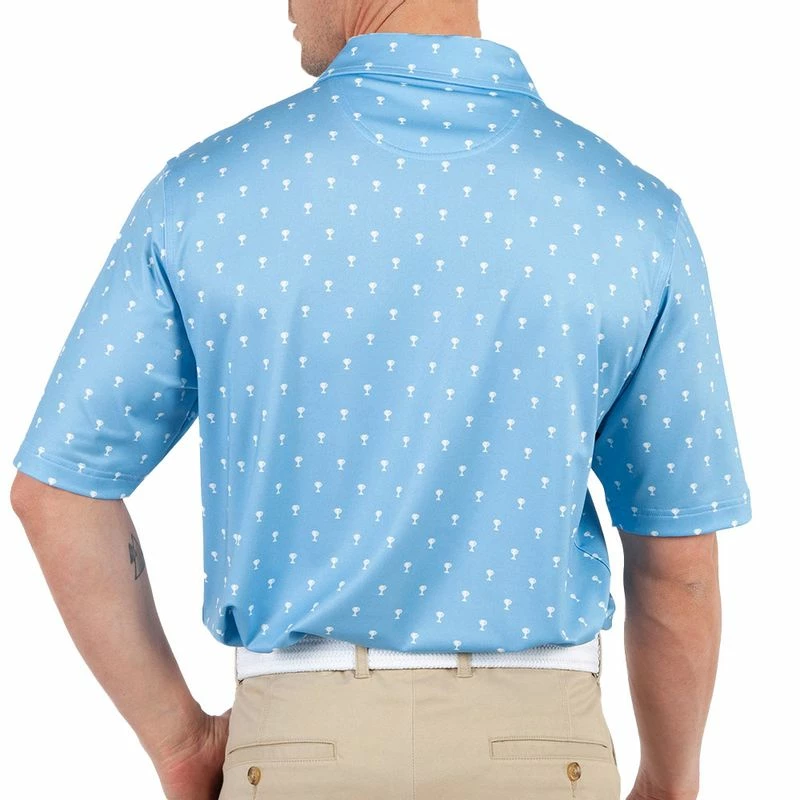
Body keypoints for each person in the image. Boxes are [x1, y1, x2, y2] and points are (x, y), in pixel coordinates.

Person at [9, 1, 753, 798]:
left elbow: (58, 495)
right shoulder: (630, 214)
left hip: (296, 754)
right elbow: (678, 564)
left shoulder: (207, 193)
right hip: (542, 755)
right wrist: (669, 784)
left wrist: (182, 741)